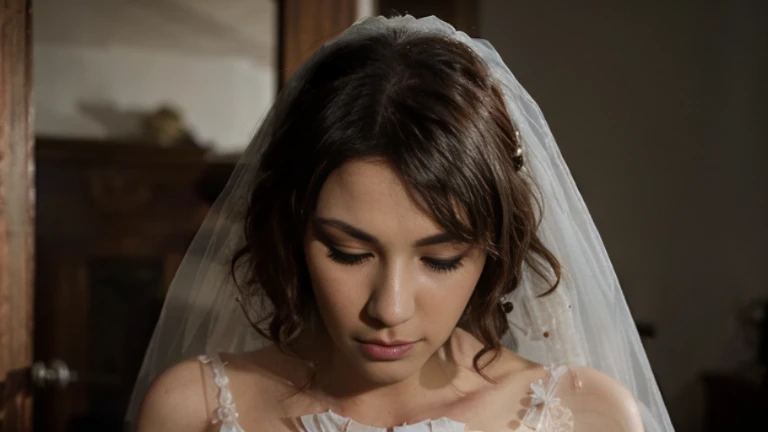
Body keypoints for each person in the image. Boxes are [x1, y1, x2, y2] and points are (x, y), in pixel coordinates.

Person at [127, 15, 673, 432]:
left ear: (495, 250)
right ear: (293, 230)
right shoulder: (191, 409)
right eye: (347, 251)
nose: (389, 308)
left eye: (441, 259)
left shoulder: (587, 417)